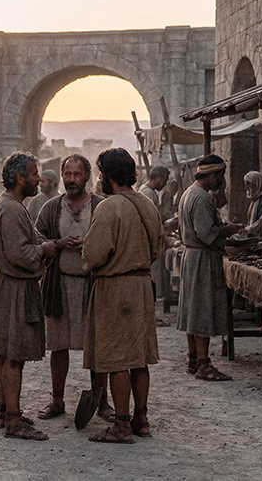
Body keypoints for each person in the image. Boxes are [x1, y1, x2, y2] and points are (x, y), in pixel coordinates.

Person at [82, 147, 164, 444]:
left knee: (117, 358)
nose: (99, 179)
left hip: (115, 289)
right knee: (138, 358)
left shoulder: (109, 207)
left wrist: (92, 263)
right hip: (141, 286)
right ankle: (141, 419)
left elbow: (93, 253)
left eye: (101, 173)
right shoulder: (148, 204)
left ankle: (121, 425)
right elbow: (157, 247)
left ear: (109, 175)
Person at [34, 154, 114, 422]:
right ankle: (57, 400)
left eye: (77, 174)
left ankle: (102, 401)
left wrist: (89, 246)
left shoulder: (101, 207)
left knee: (97, 347)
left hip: (93, 287)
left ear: (87, 176)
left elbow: (112, 241)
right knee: (58, 345)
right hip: (59, 286)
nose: (71, 179)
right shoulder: (51, 208)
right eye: (67, 174)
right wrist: (57, 244)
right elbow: (37, 238)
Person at [0, 151, 58, 441]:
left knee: (5, 353)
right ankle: (14, 421)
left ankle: (4, 411)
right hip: (15, 289)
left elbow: (25, 240)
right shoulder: (13, 209)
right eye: (34, 174)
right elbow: (20, 253)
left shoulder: (7, 204)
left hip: (6, 286)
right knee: (14, 355)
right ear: (19, 178)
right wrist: (45, 250)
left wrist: (50, 244)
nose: (38, 179)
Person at [176, 155, 245, 381]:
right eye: (221, 175)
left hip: (192, 257)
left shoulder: (188, 192)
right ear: (213, 174)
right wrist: (228, 230)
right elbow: (206, 234)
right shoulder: (203, 197)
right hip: (202, 259)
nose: (223, 180)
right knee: (201, 310)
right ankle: (203, 365)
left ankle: (194, 359)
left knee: (193, 310)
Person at [140, 166, 171, 301]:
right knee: (155, 272)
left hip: (151, 239)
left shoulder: (149, 192)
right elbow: (150, 219)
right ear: (157, 178)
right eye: (164, 180)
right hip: (150, 240)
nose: (165, 184)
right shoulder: (147, 193)